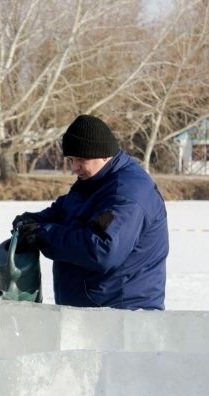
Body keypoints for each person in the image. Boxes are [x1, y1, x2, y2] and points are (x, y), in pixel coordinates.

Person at [12, 115, 168, 310]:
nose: (74, 167)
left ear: (104, 154)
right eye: (70, 159)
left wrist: (42, 235)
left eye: (81, 159)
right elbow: (65, 211)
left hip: (123, 318)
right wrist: (33, 221)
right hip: (93, 314)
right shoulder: (96, 180)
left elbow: (101, 251)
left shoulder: (126, 194)